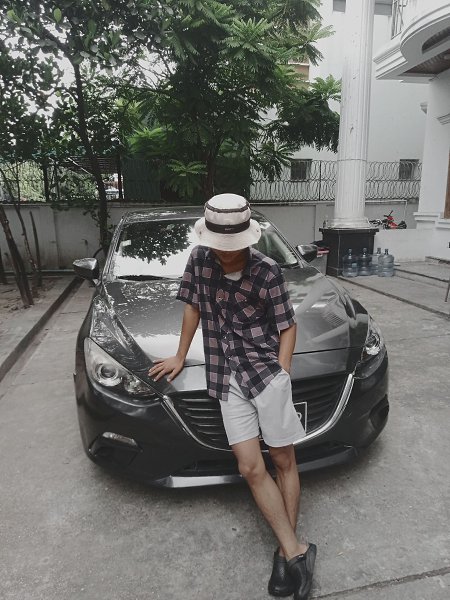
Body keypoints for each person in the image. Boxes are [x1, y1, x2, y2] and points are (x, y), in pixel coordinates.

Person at [148, 193, 316, 600]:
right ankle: (296, 550)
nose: (225, 253)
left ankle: (285, 552)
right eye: (219, 245)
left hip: (266, 374)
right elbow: (192, 307)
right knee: (250, 467)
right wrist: (180, 354)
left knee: (283, 460)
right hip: (226, 376)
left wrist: (282, 373)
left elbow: (288, 326)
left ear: (248, 238)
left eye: (233, 245)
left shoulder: (267, 271)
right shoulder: (199, 261)